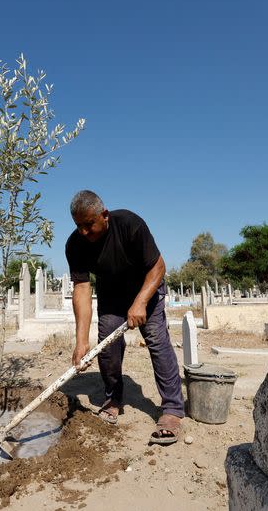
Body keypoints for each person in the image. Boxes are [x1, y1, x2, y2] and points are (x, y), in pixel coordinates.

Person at [65, 190, 185, 444]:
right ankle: (113, 399)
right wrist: (81, 341)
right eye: (79, 226)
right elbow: (82, 289)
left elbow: (158, 267)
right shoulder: (75, 244)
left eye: (89, 225)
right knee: (107, 346)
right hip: (111, 297)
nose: (84, 233)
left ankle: (173, 409)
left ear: (104, 215)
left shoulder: (130, 224)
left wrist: (140, 302)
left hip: (146, 289)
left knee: (156, 340)